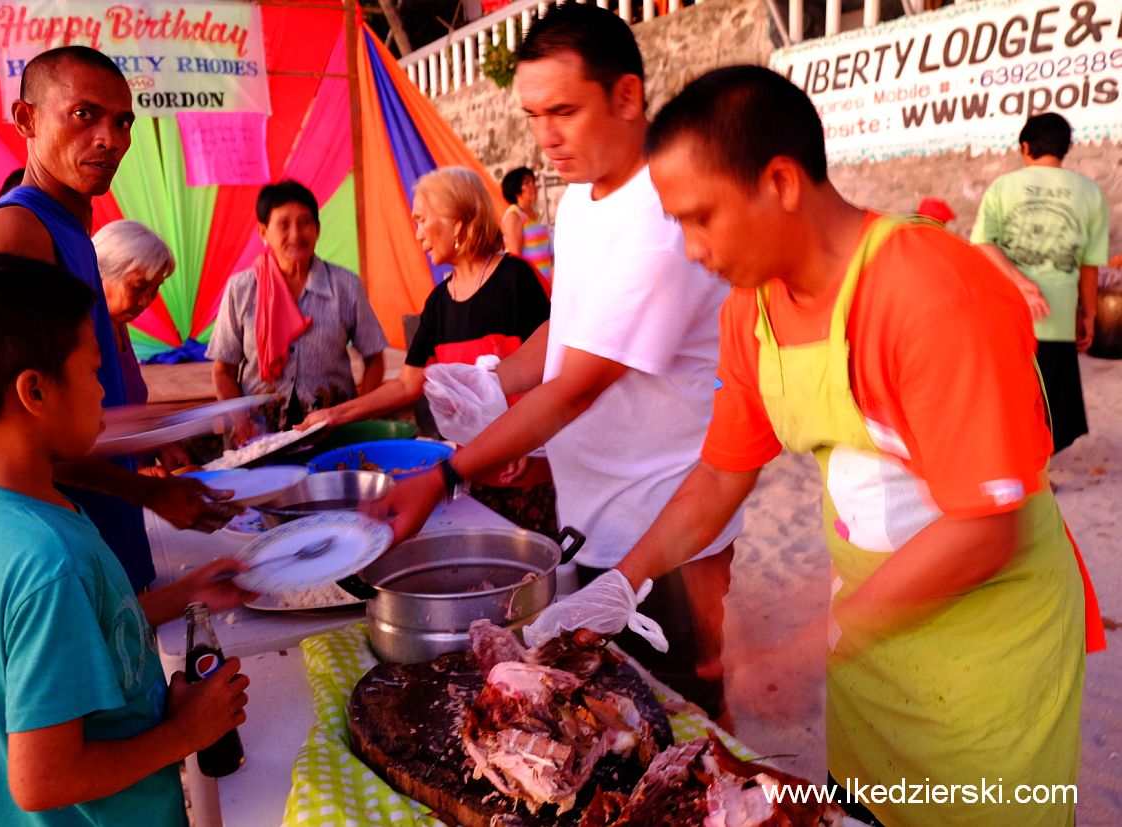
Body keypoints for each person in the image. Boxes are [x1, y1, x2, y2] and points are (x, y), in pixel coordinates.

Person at [525, 66, 1105, 827]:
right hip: (869, 636)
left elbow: (985, 525)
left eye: (702, 218)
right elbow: (719, 475)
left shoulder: (930, 292)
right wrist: (625, 578)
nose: (693, 250)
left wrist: (803, 644)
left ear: (780, 181)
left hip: (986, 650)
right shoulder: (751, 312)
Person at [379, 4, 743, 719]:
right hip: (594, 506)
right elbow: (567, 331)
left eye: (564, 111)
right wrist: (492, 381)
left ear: (627, 96)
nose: (545, 135)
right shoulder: (580, 199)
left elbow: (577, 387)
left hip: (668, 515)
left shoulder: (660, 218)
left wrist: (450, 470)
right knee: (608, 712)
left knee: (684, 713)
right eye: (534, 112)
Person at [0, 252, 253, 826]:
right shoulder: (45, 562)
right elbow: (43, 780)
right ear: (35, 393)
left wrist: (186, 592)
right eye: (93, 372)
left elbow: (74, 630)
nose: (102, 394)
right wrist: (186, 731)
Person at [0, 46, 234, 593]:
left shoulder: (74, 235)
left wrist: (161, 430)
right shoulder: (16, 233)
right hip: (54, 564)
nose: (110, 138)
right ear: (27, 119)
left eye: (123, 120)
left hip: (100, 541)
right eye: (84, 114)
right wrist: (151, 494)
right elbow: (13, 441)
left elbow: (81, 408)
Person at [302, 167, 554, 533]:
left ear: (457, 222)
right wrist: (335, 415)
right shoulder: (438, 302)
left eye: (422, 220)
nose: (417, 234)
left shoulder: (516, 279)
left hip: (527, 473)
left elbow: (554, 368)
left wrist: (531, 444)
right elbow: (407, 384)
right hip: (465, 476)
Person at [207, 180, 389, 446]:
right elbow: (223, 370)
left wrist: (358, 414)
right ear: (263, 232)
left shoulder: (345, 286)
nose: (296, 234)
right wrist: (240, 422)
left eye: (305, 222)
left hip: (332, 434)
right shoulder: (241, 289)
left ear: (317, 229)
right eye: (283, 224)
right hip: (258, 438)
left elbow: (375, 358)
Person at [970, 113, 1109, 453]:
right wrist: (1089, 314)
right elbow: (1089, 266)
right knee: (1049, 408)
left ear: (1025, 147)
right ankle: (1038, 472)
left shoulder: (1003, 187)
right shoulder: (1090, 192)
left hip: (1008, 316)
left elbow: (982, 243)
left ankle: (1013, 467)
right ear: (1065, 149)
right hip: (1058, 319)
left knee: (1008, 400)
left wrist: (1020, 281)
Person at [92, 220, 176, 407]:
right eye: (138, 287)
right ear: (101, 273)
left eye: (155, 289)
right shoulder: (84, 334)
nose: (145, 302)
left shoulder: (118, 325)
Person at [500, 166, 553, 290]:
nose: (533, 186)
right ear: (516, 189)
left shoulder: (536, 215)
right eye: (527, 183)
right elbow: (514, 257)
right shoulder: (514, 215)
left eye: (533, 182)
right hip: (529, 286)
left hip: (545, 283)